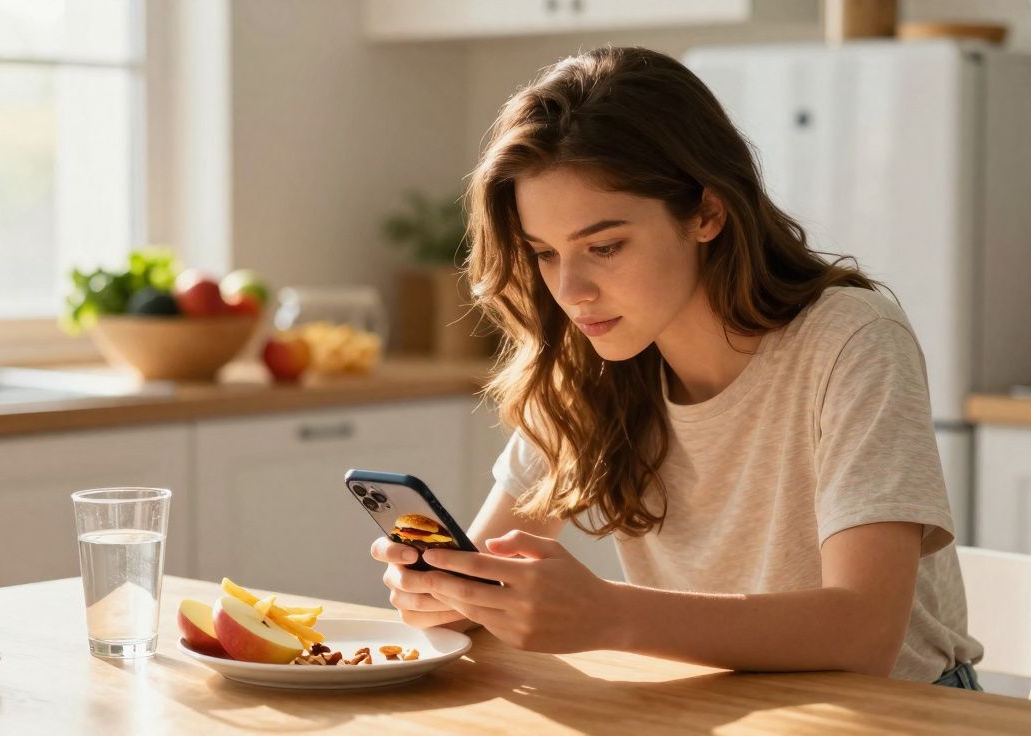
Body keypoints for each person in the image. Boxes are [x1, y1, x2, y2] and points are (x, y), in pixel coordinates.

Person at [370, 45, 984, 688]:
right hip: (714, 701)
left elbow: (864, 636)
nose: (571, 291)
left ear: (707, 213)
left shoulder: (852, 340)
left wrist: (608, 614)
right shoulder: (593, 357)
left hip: (895, 712)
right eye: (545, 253)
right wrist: (447, 592)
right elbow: (485, 571)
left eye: (605, 246)